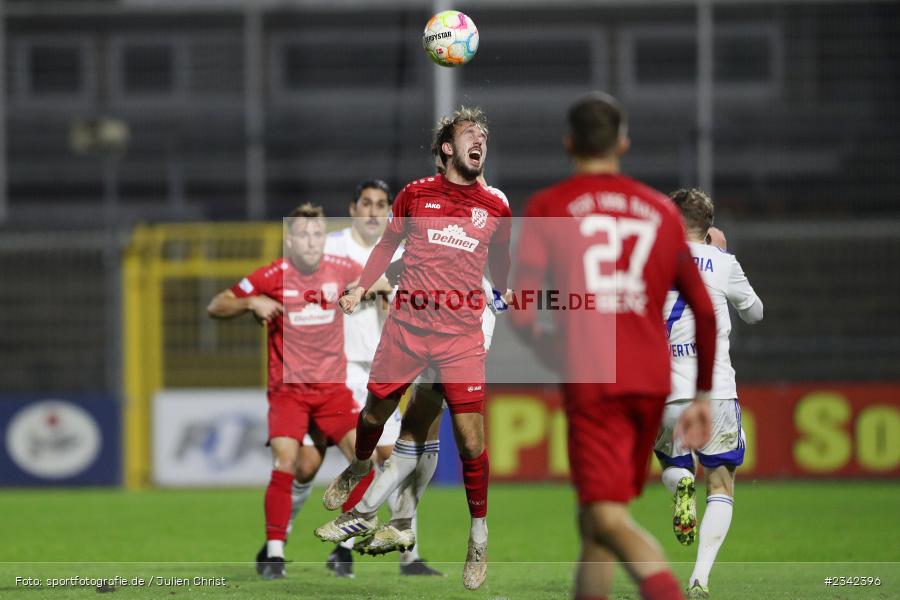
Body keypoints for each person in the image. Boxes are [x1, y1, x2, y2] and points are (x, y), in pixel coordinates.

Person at [510, 92, 717, 600]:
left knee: (605, 517)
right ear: (623, 142)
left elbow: (520, 309)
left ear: (568, 144)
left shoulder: (549, 207)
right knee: (596, 521)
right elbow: (706, 311)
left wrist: (554, 354)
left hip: (595, 380)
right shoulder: (659, 211)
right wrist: (705, 396)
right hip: (651, 380)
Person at [315, 106, 513, 591]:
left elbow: (503, 257)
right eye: (470, 133)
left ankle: (478, 536)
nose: (480, 139)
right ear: (448, 147)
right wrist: (362, 287)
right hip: (406, 328)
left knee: (471, 441)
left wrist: (505, 291)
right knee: (371, 418)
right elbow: (386, 247)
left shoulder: (495, 205)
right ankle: (360, 467)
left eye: (484, 135)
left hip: (460, 335)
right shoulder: (414, 195)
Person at [206, 203, 389, 580]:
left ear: (324, 239)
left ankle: (344, 547)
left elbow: (379, 282)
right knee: (290, 462)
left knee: (364, 461)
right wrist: (250, 302)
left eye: (317, 234)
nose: (310, 240)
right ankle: (274, 554)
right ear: (290, 240)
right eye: (303, 234)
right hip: (288, 391)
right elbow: (216, 304)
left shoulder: (339, 270)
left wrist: (383, 288)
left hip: (331, 391)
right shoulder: (273, 274)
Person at [319, 178, 442, 577]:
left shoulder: (402, 248)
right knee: (364, 456)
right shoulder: (333, 247)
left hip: (383, 367)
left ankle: (406, 554)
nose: (373, 210)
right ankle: (347, 548)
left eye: (381, 204)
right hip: (338, 369)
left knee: (397, 458)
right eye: (366, 203)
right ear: (353, 208)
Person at [654, 188, 763, 599]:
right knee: (720, 484)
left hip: (662, 391)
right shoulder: (723, 262)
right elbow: (755, 313)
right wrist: (722, 257)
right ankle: (699, 577)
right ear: (709, 225)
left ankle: (681, 480)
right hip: (713, 389)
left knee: (673, 462)